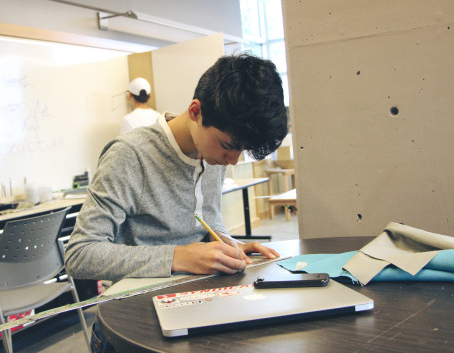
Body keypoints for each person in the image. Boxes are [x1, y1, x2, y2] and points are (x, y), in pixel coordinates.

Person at [64, 53, 288, 352]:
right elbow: (80, 254)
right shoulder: (130, 156)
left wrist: (225, 243)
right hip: (131, 324)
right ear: (196, 111)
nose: (232, 161)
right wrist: (180, 257)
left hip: (194, 305)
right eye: (228, 146)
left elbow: (208, 215)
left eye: (242, 150)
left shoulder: (212, 151)